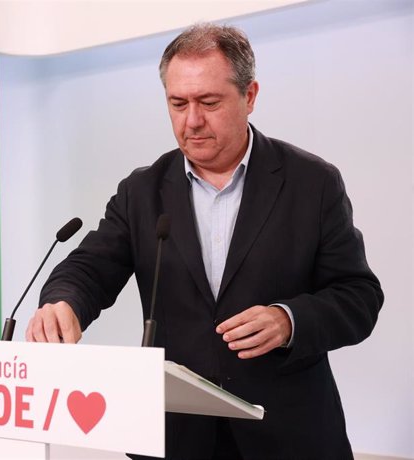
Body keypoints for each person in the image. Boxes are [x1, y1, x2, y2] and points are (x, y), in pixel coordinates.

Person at [26, 23, 383, 459]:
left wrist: (289, 320)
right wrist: (63, 302)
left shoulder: (314, 183)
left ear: (249, 96)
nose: (191, 120)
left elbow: (359, 297)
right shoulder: (142, 191)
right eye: (177, 104)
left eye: (208, 102)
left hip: (286, 433)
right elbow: (89, 270)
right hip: (174, 437)